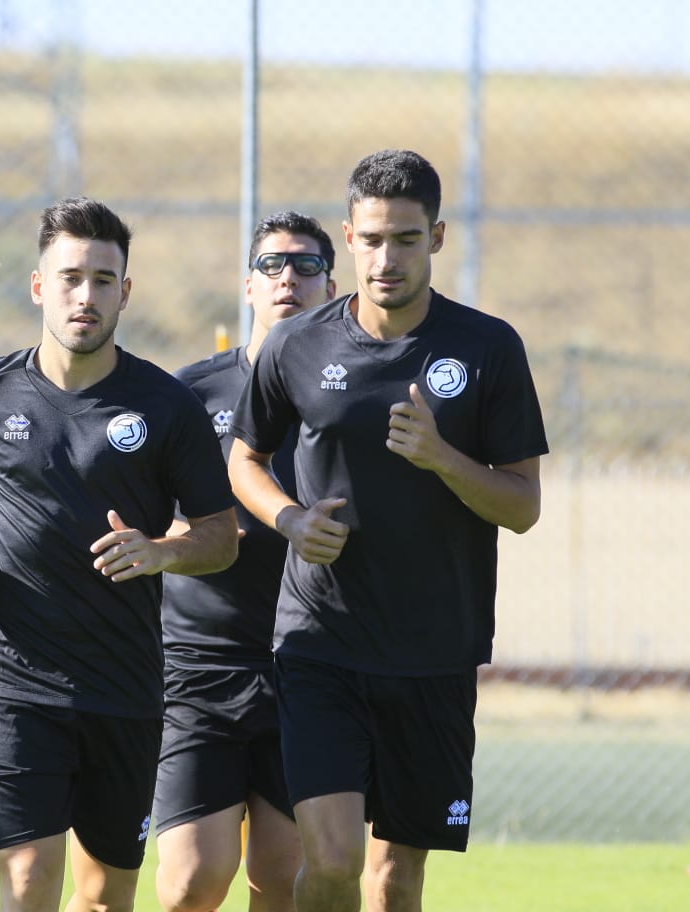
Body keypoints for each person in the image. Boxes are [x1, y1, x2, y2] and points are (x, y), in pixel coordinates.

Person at [228, 149, 549, 912]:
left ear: (436, 238)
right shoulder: (296, 344)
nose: (386, 258)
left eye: (406, 239)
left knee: (394, 879)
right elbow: (244, 460)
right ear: (348, 239)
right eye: (371, 240)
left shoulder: (487, 348)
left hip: (434, 652)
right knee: (334, 861)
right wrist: (291, 518)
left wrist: (441, 458)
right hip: (320, 644)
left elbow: (523, 505)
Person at [0, 197, 240, 912]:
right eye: (70, 277)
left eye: (103, 280)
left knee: (103, 898)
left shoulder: (167, 407)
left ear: (124, 292)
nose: (85, 295)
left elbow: (220, 537)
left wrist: (160, 552)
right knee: (32, 880)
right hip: (10, 680)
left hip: (122, 685)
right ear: (40, 287)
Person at [154, 211, 336, 912]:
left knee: (283, 880)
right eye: (271, 265)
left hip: (309, 664)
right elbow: (144, 516)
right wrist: (201, 527)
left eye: (306, 265)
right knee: (192, 881)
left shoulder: (348, 397)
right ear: (248, 286)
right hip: (199, 663)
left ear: (331, 286)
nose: (287, 277)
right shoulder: (189, 394)